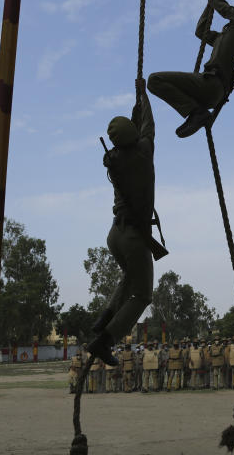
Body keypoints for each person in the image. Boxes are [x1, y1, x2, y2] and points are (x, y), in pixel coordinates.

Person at [87, 80, 156, 366]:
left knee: (129, 277)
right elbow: (148, 125)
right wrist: (143, 95)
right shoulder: (143, 153)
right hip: (134, 235)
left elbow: (137, 128)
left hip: (115, 233)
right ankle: (105, 340)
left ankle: (105, 317)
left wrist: (137, 104)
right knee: (142, 295)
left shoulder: (114, 159)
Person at [148, 0, 234, 138]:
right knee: (154, 82)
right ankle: (196, 112)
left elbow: (217, 0)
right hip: (211, 88)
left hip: (212, 84)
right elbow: (201, 31)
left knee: (155, 80)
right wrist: (210, 6)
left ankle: (196, 112)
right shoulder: (226, 36)